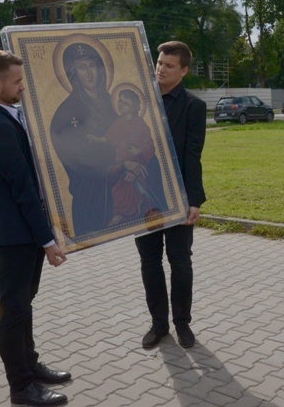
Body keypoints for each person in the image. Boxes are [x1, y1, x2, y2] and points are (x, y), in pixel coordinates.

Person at [0, 49, 71, 407]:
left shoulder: (11, 116)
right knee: (13, 310)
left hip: (24, 232)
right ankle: (21, 387)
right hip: (13, 236)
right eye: (17, 82)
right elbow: (23, 190)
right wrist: (48, 240)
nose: (23, 88)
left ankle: (30, 365)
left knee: (23, 304)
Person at [136, 41, 207, 349]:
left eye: (169, 65)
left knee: (180, 262)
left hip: (177, 197)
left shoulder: (194, 106)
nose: (161, 69)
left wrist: (194, 201)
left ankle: (182, 323)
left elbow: (193, 156)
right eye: (159, 63)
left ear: (184, 71)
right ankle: (159, 324)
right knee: (149, 261)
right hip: (141, 196)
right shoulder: (140, 101)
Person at [50, 41, 121, 238]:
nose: (89, 74)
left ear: (101, 69)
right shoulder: (66, 112)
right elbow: (74, 157)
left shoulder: (116, 102)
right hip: (91, 194)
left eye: (92, 66)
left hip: (121, 186)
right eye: (82, 67)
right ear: (73, 74)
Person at [91, 88, 166, 226]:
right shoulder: (118, 122)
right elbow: (109, 137)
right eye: (120, 101)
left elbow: (150, 145)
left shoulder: (139, 124)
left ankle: (136, 211)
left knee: (131, 185)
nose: (121, 105)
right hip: (122, 161)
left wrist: (139, 151)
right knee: (117, 187)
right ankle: (119, 213)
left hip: (139, 162)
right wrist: (97, 139)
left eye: (125, 103)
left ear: (134, 107)